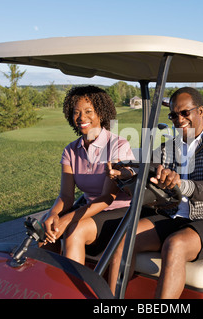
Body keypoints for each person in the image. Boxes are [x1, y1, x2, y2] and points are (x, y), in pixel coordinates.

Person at [108, 87, 203, 298]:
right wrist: (126, 171)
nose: (179, 119)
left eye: (185, 113)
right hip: (172, 215)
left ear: (201, 111)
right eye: (173, 115)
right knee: (125, 237)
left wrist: (180, 184)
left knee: (175, 245)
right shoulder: (169, 147)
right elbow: (146, 166)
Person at [40, 85, 135, 265]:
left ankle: (72, 291)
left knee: (73, 230)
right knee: (43, 228)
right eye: (76, 112)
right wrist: (53, 214)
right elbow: (66, 196)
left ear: (101, 112)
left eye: (88, 111)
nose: (82, 118)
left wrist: (67, 219)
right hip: (88, 208)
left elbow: (108, 197)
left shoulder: (118, 145)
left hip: (117, 212)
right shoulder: (70, 150)